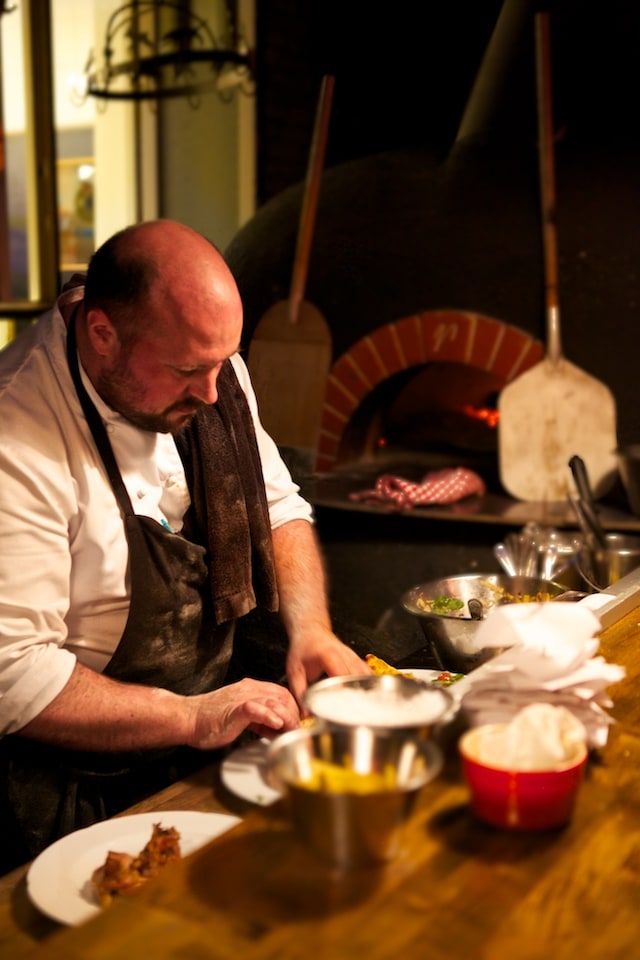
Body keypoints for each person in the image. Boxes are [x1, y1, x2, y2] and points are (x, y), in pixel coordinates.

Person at [0, 219, 369, 872]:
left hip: (200, 738)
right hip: (77, 791)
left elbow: (279, 505)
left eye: (223, 362)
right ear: (102, 333)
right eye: (187, 369)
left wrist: (311, 629)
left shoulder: (209, 366)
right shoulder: (16, 435)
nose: (212, 390)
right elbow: (13, 676)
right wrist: (193, 717)